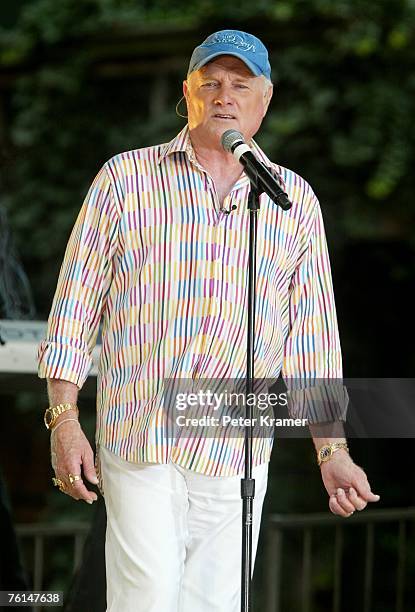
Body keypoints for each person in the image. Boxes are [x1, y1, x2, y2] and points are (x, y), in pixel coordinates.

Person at [38, 30, 380, 612]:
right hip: (139, 431)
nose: (224, 96)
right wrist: (63, 419)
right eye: (211, 83)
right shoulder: (125, 179)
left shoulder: (292, 200)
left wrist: (332, 452)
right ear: (187, 94)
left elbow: (314, 341)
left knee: (216, 603)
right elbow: (74, 309)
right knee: (146, 596)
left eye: (240, 85)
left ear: (264, 100)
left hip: (236, 445)